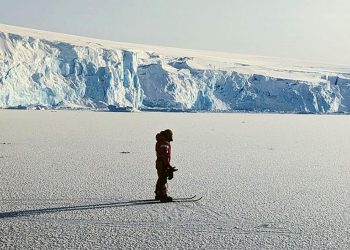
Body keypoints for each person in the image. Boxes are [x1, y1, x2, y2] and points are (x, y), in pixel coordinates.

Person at [154, 129, 177, 202]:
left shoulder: (161, 141)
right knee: (163, 179)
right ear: (167, 135)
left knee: (161, 177)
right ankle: (163, 195)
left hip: (161, 162)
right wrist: (167, 165)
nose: (171, 137)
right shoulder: (164, 143)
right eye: (170, 135)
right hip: (162, 163)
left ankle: (158, 193)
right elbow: (164, 154)